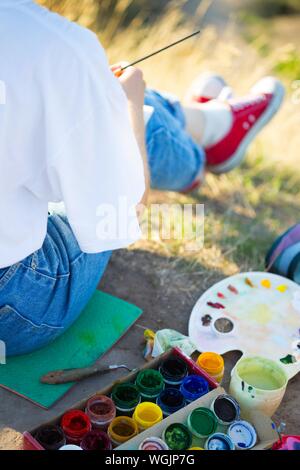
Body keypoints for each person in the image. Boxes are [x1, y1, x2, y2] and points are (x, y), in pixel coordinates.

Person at [0, 0, 284, 356]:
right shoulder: (49, 43)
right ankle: (206, 142)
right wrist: (130, 105)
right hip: (17, 306)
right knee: (121, 111)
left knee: (93, 103)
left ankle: (204, 124)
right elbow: (121, 211)